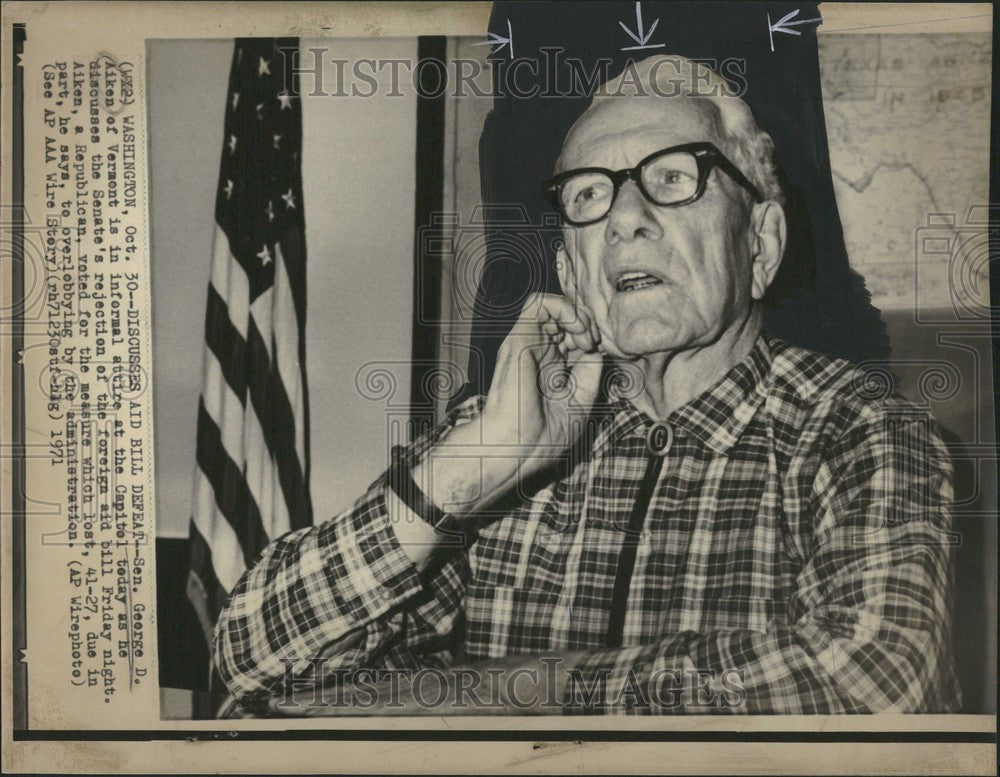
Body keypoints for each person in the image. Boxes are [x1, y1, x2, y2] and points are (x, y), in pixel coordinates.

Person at [214, 55, 961, 716]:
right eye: (588, 196)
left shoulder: (862, 430)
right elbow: (253, 665)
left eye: (674, 177)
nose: (625, 219)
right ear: (571, 273)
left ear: (760, 243)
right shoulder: (506, 425)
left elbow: (872, 687)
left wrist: (522, 692)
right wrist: (470, 468)